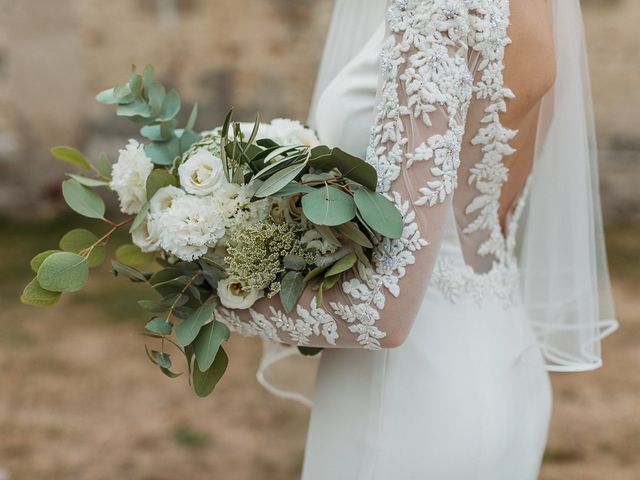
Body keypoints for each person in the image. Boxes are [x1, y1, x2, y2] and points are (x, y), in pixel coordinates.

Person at [214, 1, 618, 478]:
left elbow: (383, 313)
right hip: (506, 361)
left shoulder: (437, 6)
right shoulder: (542, 10)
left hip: (409, 396)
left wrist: (208, 293)